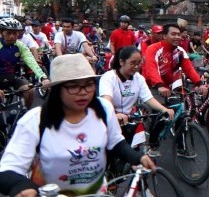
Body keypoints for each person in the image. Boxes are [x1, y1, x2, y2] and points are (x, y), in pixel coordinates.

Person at [0, 54, 155, 196]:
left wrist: (138, 157)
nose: (83, 92)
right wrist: (22, 186)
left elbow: (115, 141)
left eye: (89, 84)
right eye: (73, 86)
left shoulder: (103, 109)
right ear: (57, 89)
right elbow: (7, 170)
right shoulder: (35, 121)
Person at [99, 46, 174, 157]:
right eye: (132, 63)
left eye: (139, 63)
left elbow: (148, 98)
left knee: (134, 152)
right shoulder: (108, 78)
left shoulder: (139, 78)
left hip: (128, 119)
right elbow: (106, 101)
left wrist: (164, 109)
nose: (136, 67)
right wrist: (115, 114)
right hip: (109, 119)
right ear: (121, 62)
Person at [144, 24, 208, 98]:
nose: (177, 37)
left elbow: (189, 69)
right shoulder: (153, 48)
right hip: (153, 88)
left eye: (178, 34)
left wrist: (200, 84)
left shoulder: (180, 51)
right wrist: (159, 86)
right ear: (164, 36)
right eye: (173, 34)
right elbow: (152, 69)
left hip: (171, 88)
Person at [0, 18, 50, 109]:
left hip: (10, 76)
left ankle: (25, 113)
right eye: (8, 33)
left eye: (15, 33)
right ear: (2, 33)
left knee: (30, 90)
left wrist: (43, 77)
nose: (12, 36)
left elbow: (31, 61)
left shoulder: (20, 45)